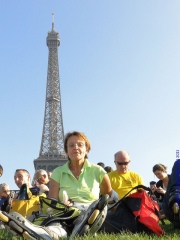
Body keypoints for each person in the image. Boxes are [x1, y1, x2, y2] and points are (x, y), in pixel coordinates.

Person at [0, 131, 118, 239]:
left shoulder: (98, 171)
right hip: (66, 211)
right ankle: (41, 232)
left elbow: (109, 198)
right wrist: (60, 204)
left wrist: (109, 204)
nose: (75, 148)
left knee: (95, 209)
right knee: (56, 221)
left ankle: (79, 226)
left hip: (89, 209)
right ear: (66, 151)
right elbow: (52, 201)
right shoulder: (58, 172)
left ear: (87, 149)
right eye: (71, 145)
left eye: (80, 145)